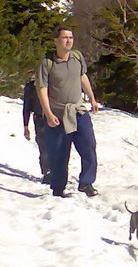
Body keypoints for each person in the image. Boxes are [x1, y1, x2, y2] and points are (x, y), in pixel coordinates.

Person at [36, 25, 100, 198]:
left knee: (89, 148)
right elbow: (42, 89)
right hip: (57, 115)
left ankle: (86, 183)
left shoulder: (77, 58)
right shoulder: (47, 63)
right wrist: (48, 114)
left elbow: (82, 77)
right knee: (59, 154)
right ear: (56, 41)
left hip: (78, 111)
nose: (69, 41)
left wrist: (92, 98)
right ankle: (58, 188)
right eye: (65, 38)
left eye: (71, 37)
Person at [21, 76, 50, 183]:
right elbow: (26, 107)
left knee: (57, 146)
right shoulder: (31, 87)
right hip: (40, 119)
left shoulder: (53, 83)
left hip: (56, 117)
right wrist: (25, 126)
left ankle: (58, 172)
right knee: (43, 146)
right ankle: (47, 172)